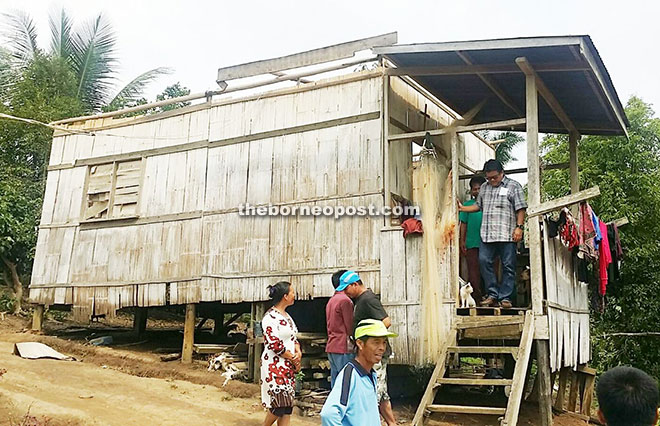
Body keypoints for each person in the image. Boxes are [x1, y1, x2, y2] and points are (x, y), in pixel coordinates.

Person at [457, 159, 527, 309]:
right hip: (488, 235)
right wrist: (462, 208)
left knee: (508, 265)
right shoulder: (484, 187)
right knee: (484, 262)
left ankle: (506, 297)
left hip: (507, 234)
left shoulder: (513, 186)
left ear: (502, 173)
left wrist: (519, 227)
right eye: (489, 178)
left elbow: (521, 208)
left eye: (494, 177)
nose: (492, 180)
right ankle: (492, 294)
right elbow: (477, 206)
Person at [341, 271, 396, 426]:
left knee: (374, 391)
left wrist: (368, 336)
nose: (345, 293)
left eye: (347, 289)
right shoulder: (360, 300)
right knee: (382, 391)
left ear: (355, 284)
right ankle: (392, 423)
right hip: (368, 351)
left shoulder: (368, 299)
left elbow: (386, 322)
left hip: (373, 352)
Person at [320, 319, 398, 426]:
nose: (382, 348)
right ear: (360, 344)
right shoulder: (350, 374)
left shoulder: (371, 374)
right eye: (376, 342)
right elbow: (328, 415)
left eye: (384, 342)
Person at [261, 281, 301, 426]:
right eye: (292, 292)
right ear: (285, 296)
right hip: (274, 366)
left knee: (287, 407)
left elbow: (293, 337)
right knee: (279, 404)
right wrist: (293, 358)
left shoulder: (287, 317)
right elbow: (274, 344)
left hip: (288, 365)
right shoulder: (270, 318)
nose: (294, 295)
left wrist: (298, 351)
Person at [459, 175, 486, 302]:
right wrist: (462, 241)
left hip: (488, 243)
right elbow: (463, 224)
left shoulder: (489, 203)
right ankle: (476, 298)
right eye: (474, 189)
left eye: (479, 188)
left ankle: (491, 296)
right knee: (473, 272)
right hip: (472, 243)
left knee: (488, 270)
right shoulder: (466, 205)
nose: (477, 191)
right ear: (471, 191)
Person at [326, 269, 355, 387]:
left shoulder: (332, 300)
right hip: (343, 346)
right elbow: (350, 327)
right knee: (346, 382)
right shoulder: (345, 301)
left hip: (332, 345)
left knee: (336, 381)